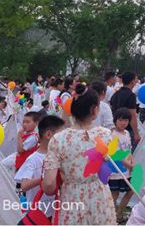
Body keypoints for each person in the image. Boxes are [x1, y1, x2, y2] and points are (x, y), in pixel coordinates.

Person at [43, 84, 117, 224]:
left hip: (72, 199)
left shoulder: (58, 139)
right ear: (94, 110)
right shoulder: (105, 135)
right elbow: (108, 168)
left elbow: (49, 185)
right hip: (100, 199)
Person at [14, 115, 65, 220]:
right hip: (37, 213)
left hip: (54, 210)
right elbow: (24, 185)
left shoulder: (59, 156)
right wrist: (44, 177)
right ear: (48, 135)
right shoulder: (33, 159)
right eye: (61, 136)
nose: (64, 140)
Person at [108, 107, 135, 222]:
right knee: (114, 194)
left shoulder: (127, 133)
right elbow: (116, 154)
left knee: (130, 191)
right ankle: (110, 216)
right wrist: (129, 166)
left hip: (127, 169)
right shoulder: (112, 134)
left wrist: (131, 163)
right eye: (120, 120)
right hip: (115, 170)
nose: (123, 123)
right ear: (115, 120)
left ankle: (118, 214)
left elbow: (129, 150)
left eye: (126, 120)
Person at [110, 71, 140, 146]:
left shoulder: (116, 93)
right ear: (132, 81)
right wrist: (136, 133)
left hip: (115, 127)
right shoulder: (131, 95)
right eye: (135, 79)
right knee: (127, 153)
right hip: (127, 128)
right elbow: (132, 115)